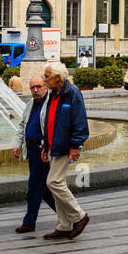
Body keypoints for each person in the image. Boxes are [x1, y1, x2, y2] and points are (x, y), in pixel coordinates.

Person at [38, 62, 91, 241]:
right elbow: (49, 121)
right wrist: (45, 146)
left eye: (47, 77)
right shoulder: (54, 94)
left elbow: (80, 122)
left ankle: (79, 216)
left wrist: (75, 146)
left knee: (53, 182)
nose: (44, 80)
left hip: (65, 146)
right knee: (57, 183)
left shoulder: (72, 93)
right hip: (54, 145)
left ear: (57, 78)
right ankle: (63, 226)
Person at [11, 76, 56, 233]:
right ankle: (72, 216)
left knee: (35, 186)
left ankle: (29, 222)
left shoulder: (51, 103)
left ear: (45, 86)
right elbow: (22, 125)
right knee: (44, 189)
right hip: (31, 150)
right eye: (32, 88)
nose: (35, 90)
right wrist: (17, 145)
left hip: (43, 150)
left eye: (38, 86)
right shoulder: (30, 104)